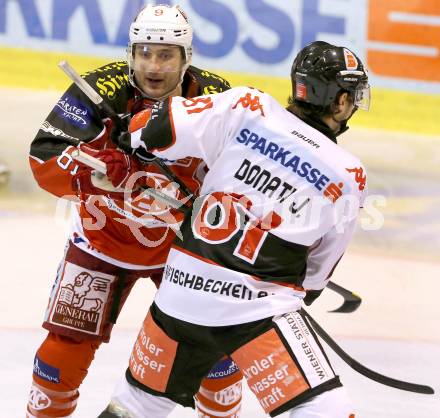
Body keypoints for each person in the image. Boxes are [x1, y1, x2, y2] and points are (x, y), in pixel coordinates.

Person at [98, 40, 370, 418]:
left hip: (179, 297)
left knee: (137, 404)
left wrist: (132, 134)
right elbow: (316, 275)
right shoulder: (348, 173)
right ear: (340, 102)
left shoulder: (247, 107)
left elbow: (152, 128)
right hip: (257, 315)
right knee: (325, 409)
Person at [27, 4, 243, 418]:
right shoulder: (99, 89)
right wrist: (94, 170)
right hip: (102, 242)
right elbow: (43, 161)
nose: (154, 65)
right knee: (59, 359)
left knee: (218, 356)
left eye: (166, 55)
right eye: (145, 52)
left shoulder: (217, 98)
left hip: (185, 250)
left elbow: (240, 171)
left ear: (187, 58)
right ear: (131, 53)